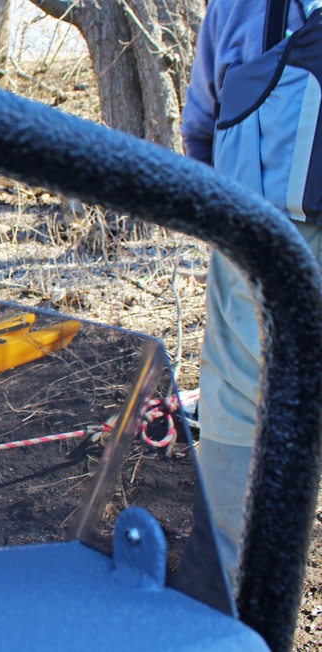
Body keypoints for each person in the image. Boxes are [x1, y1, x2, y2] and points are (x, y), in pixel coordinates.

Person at [181, 0, 320, 579]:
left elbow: (201, 127)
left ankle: (231, 593)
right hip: (263, 222)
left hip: (262, 223)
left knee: (240, 406)